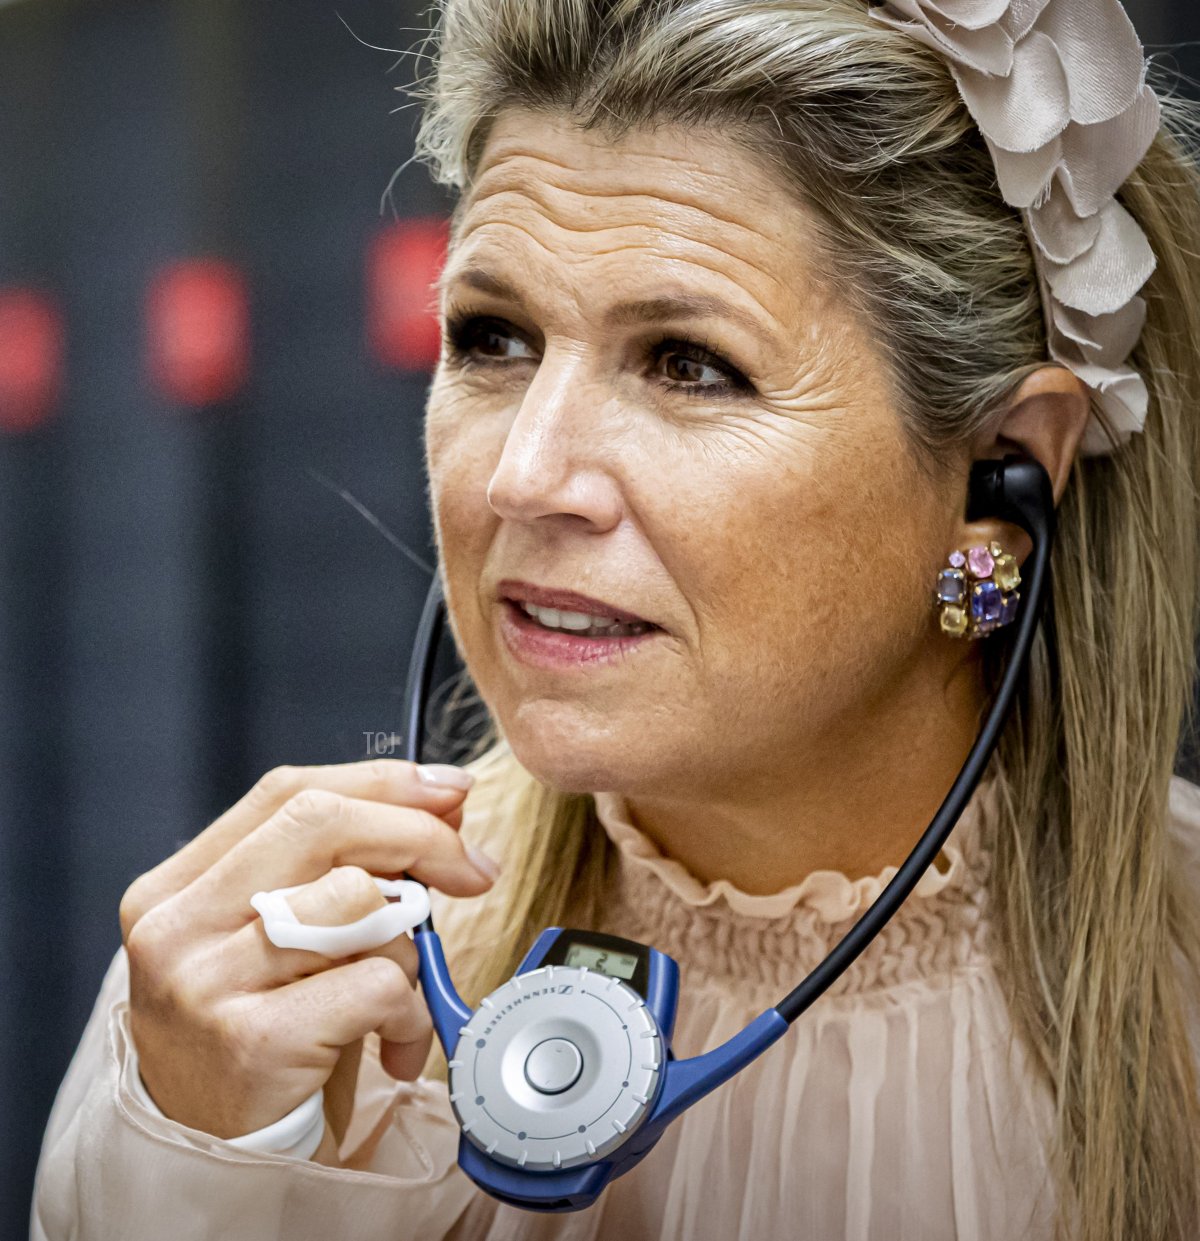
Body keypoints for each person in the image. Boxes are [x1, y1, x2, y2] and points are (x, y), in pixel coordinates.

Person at [30, 0, 1200, 1238]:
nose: (521, 477)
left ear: (1000, 478)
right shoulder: (264, 1011)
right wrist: (218, 1166)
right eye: (491, 339)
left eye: (689, 362)